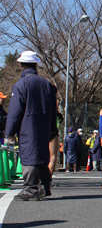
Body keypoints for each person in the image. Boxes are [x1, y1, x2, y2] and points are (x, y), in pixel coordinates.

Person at [5, 51, 57, 201]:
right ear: (35, 65)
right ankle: (46, 186)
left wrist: (10, 132)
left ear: (21, 65)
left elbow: (15, 112)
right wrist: (53, 128)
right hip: (45, 124)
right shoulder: (46, 84)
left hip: (27, 125)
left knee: (29, 157)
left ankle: (31, 189)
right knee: (41, 157)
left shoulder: (20, 85)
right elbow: (54, 109)